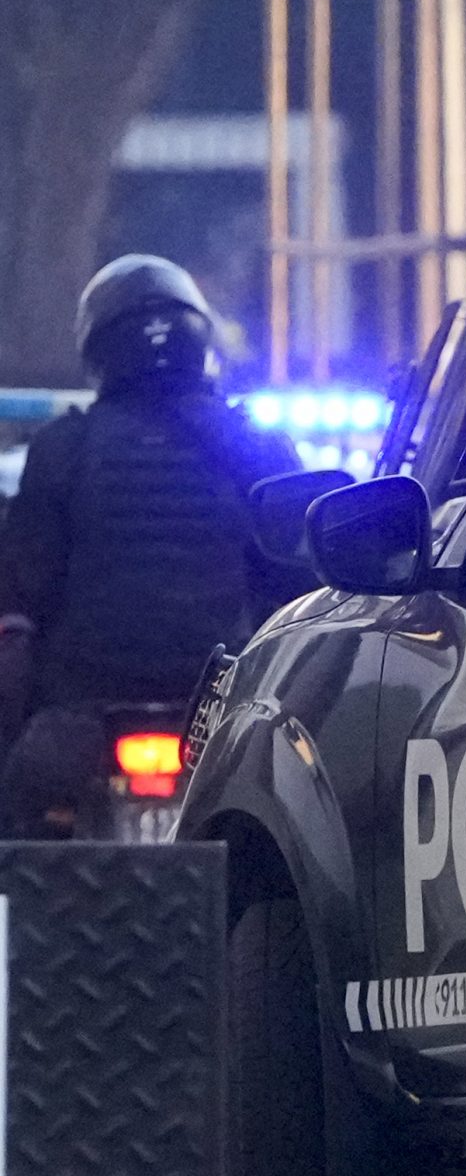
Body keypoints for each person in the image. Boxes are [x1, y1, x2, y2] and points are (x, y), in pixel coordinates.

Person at [0, 255, 306, 836]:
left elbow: (26, 583)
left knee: (22, 816)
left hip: (83, 714)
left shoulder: (62, 449)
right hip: (227, 713)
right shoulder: (255, 447)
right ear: (200, 337)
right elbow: (297, 585)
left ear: (97, 348)